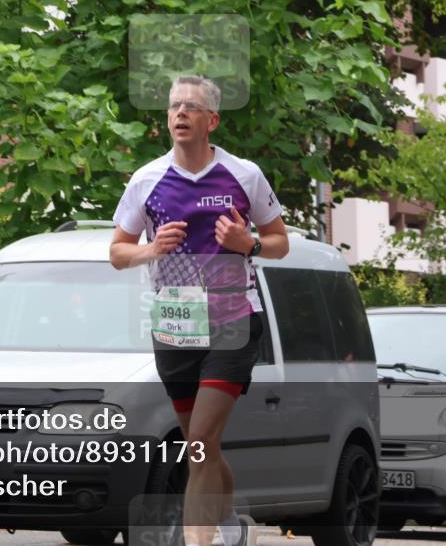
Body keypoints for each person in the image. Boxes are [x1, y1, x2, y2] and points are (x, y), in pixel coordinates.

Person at [110, 75, 289, 546]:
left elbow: (280, 243)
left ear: (212, 119)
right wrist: (150, 252)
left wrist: (246, 243)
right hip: (174, 325)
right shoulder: (146, 179)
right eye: (173, 106)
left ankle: (198, 542)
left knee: (199, 442)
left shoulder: (243, 174)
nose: (180, 113)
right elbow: (117, 253)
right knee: (202, 446)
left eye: (191, 106)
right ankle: (232, 527)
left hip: (232, 319)